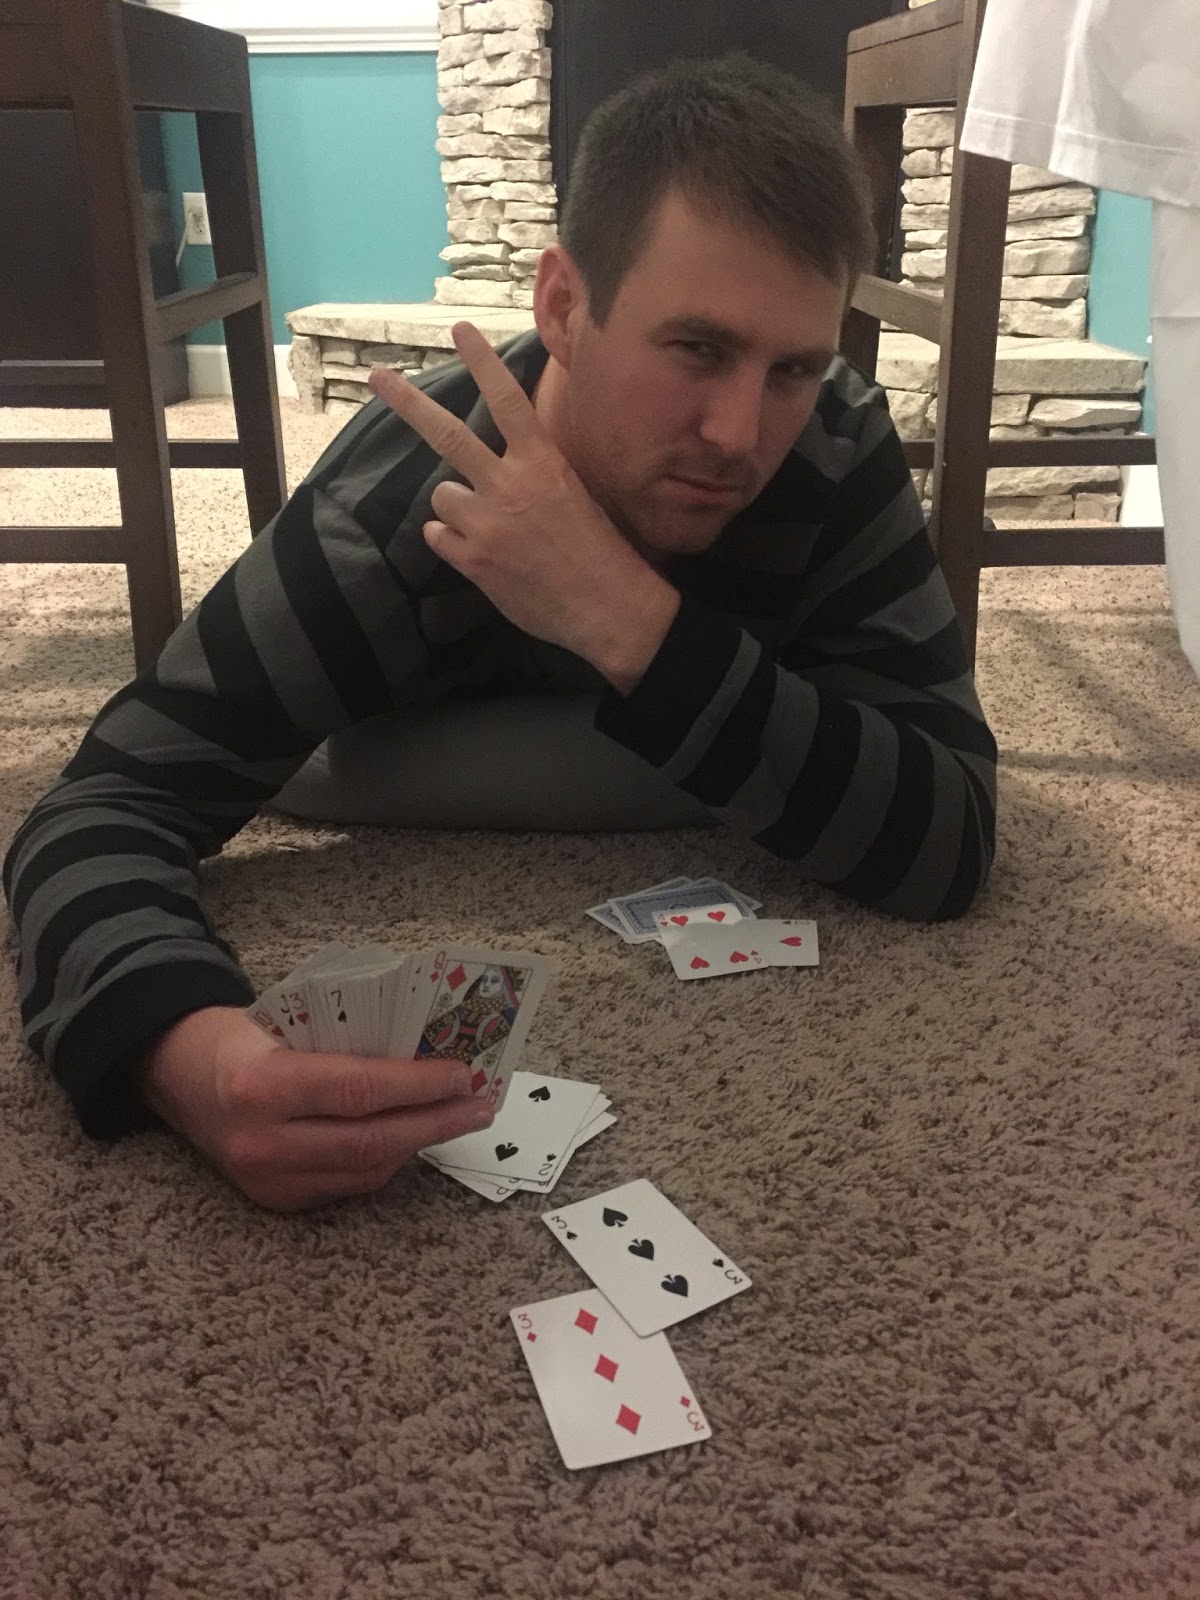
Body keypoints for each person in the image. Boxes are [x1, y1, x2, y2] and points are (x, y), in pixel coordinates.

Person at [2, 53, 998, 1212]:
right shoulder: (389, 517)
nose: (740, 432)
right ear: (563, 306)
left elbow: (953, 836)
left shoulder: (831, 445)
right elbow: (101, 806)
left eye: (792, 367)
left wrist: (625, 617)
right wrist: (188, 1057)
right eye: (696, 348)